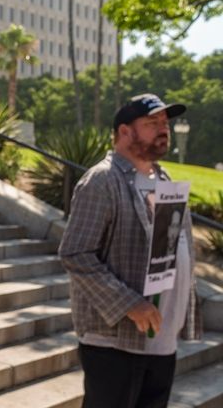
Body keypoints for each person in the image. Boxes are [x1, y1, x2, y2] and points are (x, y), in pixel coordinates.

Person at [59, 93, 201, 408]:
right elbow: (75, 253)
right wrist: (130, 304)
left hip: (162, 343)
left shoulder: (164, 180)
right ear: (125, 132)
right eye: (152, 123)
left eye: (165, 123)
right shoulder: (102, 180)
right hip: (115, 345)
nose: (163, 129)